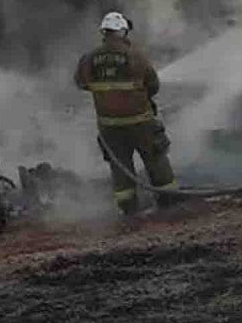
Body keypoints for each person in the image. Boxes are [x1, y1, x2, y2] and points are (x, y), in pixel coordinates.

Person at [74, 12, 177, 215]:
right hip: (141, 123)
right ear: (122, 31)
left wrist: (106, 92)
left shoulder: (89, 59)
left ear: (104, 32)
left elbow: (81, 83)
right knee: (156, 160)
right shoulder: (135, 56)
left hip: (110, 126)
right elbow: (153, 85)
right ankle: (171, 204)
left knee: (120, 167)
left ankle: (129, 211)